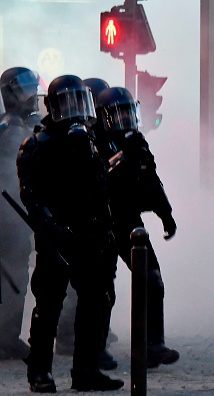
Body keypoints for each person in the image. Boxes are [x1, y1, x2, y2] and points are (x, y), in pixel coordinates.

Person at [17, 74, 123, 392]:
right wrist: (49, 226)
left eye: (80, 103)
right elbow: (30, 194)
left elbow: (100, 189)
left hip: (88, 235)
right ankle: (39, 372)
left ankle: (85, 371)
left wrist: (105, 228)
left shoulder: (88, 141)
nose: (75, 112)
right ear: (51, 106)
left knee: (93, 304)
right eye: (68, 104)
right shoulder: (37, 145)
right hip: (56, 238)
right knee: (48, 306)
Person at [93, 86, 180, 368]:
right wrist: (120, 159)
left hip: (130, 221)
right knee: (102, 288)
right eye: (117, 115)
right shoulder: (93, 141)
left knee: (152, 280)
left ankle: (153, 344)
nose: (125, 121)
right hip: (103, 223)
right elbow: (95, 181)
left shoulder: (136, 142)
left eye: (128, 114)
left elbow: (151, 180)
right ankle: (95, 350)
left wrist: (165, 213)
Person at [0, 67, 40, 360]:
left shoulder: (28, 125)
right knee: (9, 277)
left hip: (20, 215)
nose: (30, 96)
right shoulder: (6, 129)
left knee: (17, 278)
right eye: (24, 89)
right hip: (6, 215)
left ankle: (8, 337)